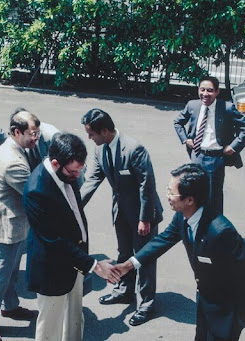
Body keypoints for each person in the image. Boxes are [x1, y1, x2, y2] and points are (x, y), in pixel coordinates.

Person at [115, 163, 245, 341]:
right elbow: (163, 240)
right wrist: (129, 265)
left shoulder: (221, 232)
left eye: (171, 193)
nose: (167, 197)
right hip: (204, 302)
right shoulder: (182, 216)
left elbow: (243, 274)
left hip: (226, 311)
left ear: (190, 200)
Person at [23, 132, 121, 341]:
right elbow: (53, 242)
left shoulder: (66, 174)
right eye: (74, 172)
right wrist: (94, 265)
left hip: (74, 263)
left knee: (75, 317)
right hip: (52, 270)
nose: (78, 176)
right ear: (56, 163)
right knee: (51, 327)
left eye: (81, 170)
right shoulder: (36, 190)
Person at [80, 108, 163, 326]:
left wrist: (144, 218)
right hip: (121, 212)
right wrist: (74, 206)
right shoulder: (100, 150)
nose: (89, 137)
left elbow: (147, 184)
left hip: (142, 213)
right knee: (124, 253)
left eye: (91, 133)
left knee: (143, 258)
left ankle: (146, 304)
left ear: (105, 130)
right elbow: (92, 180)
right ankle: (124, 291)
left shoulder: (134, 148)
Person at [0, 110, 41, 341]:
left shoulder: (14, 147)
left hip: (14, 224)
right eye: (32, 134)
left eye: (38, 133)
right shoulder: (13, 160)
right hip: (5, 227)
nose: (37, 138)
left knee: (10, 271)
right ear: (16, 132)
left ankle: (10, 307)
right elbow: (33, 195)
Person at [174, 76, 245, 216]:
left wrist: (234, 146)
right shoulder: (193, 105)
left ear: (217, 92)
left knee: (213, 198)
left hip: (215, 160)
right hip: (197, 156)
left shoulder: (226, 108)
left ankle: (214, 230)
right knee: (194, 195)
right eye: (202, 89)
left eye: (210, 90)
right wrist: (185, 139)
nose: (205, 94)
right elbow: (178, 122)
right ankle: (195, 228)